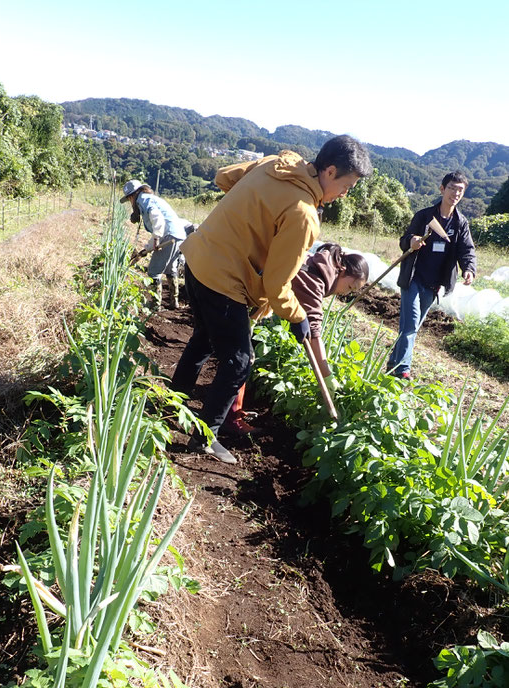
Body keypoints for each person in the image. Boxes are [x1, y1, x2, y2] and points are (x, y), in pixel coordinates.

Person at [170, 135, 373, 464]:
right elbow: (278, 284)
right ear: (330, 171)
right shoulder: (304, 214)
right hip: (223, 279)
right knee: (239, 361)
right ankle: (205, 437)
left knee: (205, 339)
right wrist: (298, 317)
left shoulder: (276, 163)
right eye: (347, 185)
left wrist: (248, 216)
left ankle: (172, 402)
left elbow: (224, 177)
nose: (344, 194)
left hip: (196, 257)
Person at [222, 244, 370, 437]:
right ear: (342, 270)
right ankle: (230, 419)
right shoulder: (316, 279)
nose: (345, 293)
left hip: (237, 283)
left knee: (213, 345)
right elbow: (314, 331)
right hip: (237, 289)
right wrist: (326, 375)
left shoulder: (319, 264)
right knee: (243, 358)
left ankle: (179, 393)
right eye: (350, 286)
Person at [387, 172, 476, 380]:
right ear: (442, 189)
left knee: (413, 326)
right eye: (452, 188)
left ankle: (393, 363)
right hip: (414, 278)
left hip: (434, 283)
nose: (456, 193)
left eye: (460, 190)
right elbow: (404, 240)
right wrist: (412, 241)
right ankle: (402, 371)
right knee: (410, 325)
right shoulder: (424, 216)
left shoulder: (460, 223)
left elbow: (466, 250)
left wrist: (468, 268)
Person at [120, 180, 187, 308]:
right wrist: (146, 249)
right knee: (170, 270)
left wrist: (156, 239)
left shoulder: (143, 200)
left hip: (169, 235)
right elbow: (158, 228)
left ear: (132, 196)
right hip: (178, 235)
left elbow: (158, 220)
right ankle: (174, 302)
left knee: (153, 272)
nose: (130, 203)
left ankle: (155, 305)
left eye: (129, 200)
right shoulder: (149, 198)